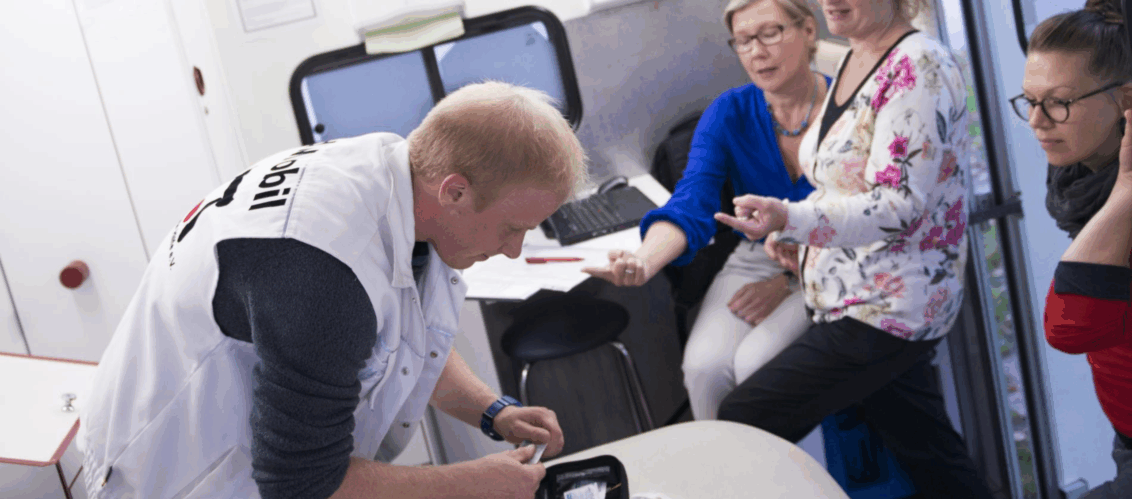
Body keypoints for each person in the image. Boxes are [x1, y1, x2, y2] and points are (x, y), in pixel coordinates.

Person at [77, 81, 583, 499]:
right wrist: (473, 483)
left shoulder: (396, 174)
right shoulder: (323, 274)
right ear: (454, 191)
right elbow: (302, 484)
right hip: (167, 471)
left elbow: (406, 331)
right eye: (511, 227)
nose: (515, 249)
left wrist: (493, 412)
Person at [711, 0, 993, 497]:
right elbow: (841, 182)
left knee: (744, 417)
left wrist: (792, 217)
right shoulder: (854, 55)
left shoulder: (918, 66)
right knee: (929, 453)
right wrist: (794, 241)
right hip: (852, 292)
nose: (831, 1)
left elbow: (898, 204)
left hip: (889, 308)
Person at [584, 0, 827, 422]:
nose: (757, 51)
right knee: (703, 368)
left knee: (757, 365)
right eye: (744, 40)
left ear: (807, 30)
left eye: (770, 32)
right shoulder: (729, 112)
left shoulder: (846, 110)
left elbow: (865, 217)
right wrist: (643, 262)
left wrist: (789, 280)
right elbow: (691, 203)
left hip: (831, 259)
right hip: (757, 253)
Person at [1021, 1, 1132, 496]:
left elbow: (1069, 326)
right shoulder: (1078, 177)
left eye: (1058, 102)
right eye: (1029, 101)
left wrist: (1129, 191)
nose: (1037, 122)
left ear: (1125, 100)